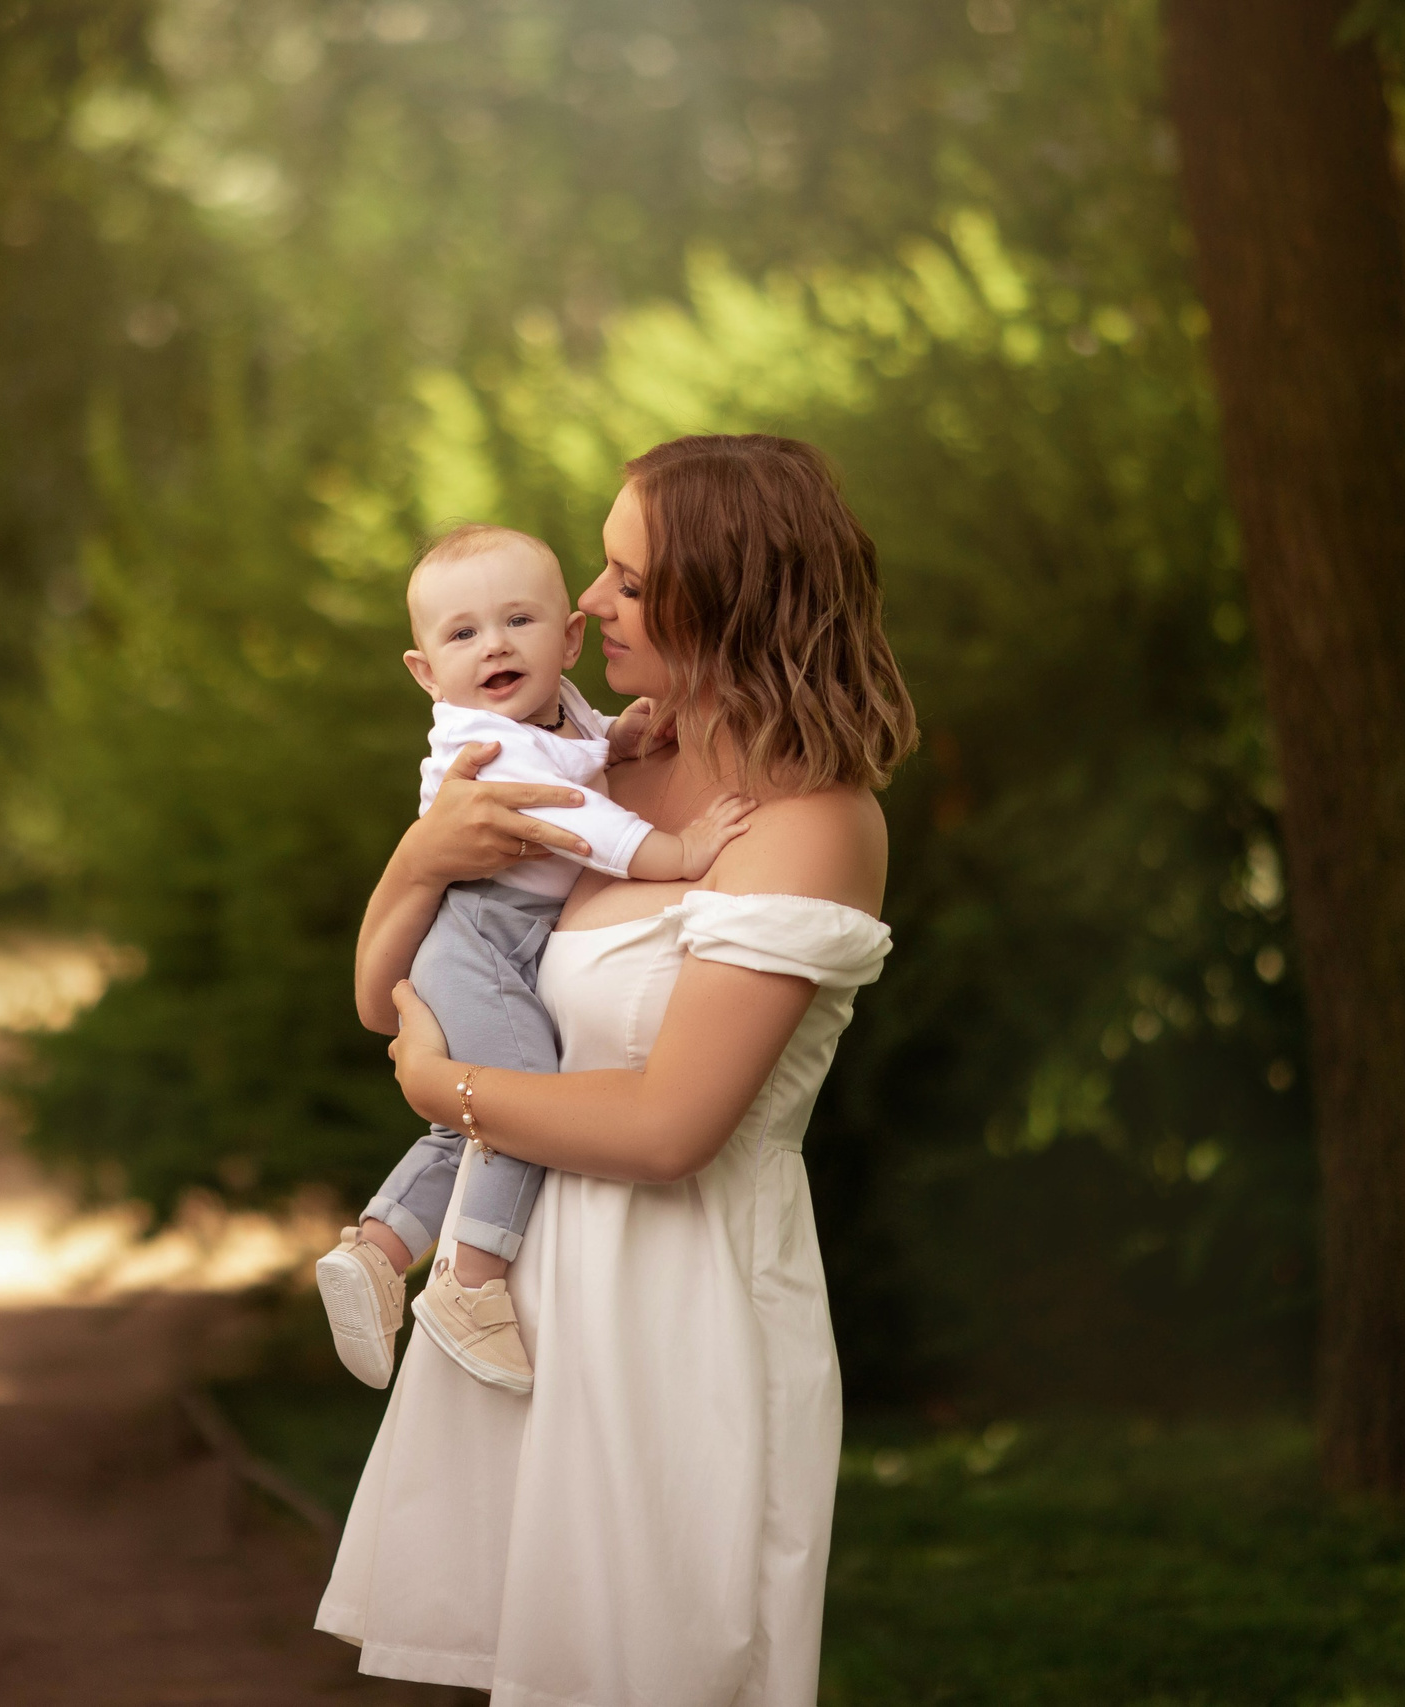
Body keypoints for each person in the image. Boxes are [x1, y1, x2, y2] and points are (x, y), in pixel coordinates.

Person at [317, 434, 918, 1707]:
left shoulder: (811, 823)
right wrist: (420, 860)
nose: (589, 603)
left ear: (728, 600)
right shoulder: (598, 764)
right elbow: (382, 997)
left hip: (676, 1299)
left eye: (629, 581)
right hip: (528, 1286)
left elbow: (666, 1130)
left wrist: (444, 1095)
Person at [314, 522, 754, 1394]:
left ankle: (378, 1247)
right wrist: (681, 850)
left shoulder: (553, 711)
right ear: (425, 672)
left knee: (463, 1127)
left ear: (568, 639)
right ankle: (471, 1282)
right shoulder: (491, 743)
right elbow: (589, 824)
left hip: (489, 944)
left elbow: (582, 748)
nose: (496, 645)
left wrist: (618, 740)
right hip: (480, 943)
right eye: (464, 633)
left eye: (518, 620)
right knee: (518, 1100)